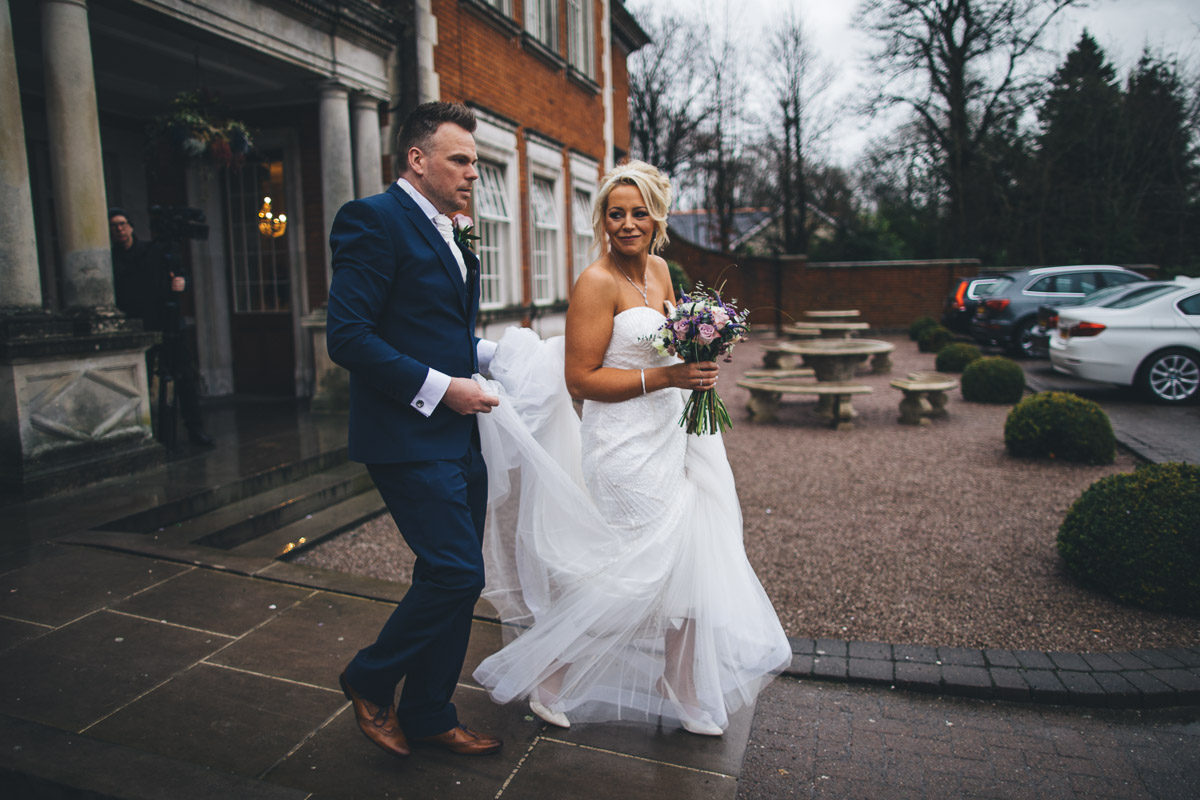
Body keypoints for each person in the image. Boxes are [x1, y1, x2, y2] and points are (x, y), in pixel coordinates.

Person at [472, 161, 790, 735]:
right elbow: (580, 380)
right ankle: (549, 673)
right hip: (620, 446)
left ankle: (680, 680)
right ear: (602, 220)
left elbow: (670, 346)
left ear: (657, 217)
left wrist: (698, 362)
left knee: (695, 545)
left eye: (638, 212)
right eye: (615, 213)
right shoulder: (595, 282)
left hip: (672, 435)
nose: (626, 223)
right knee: (626, 566)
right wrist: (669, 379)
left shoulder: (663, 271)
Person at [325, 102, 503, 759]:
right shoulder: (373, 220)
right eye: (459, 160)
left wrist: (488, 358)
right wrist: (442, 389)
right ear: (417, 160)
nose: (472, 174)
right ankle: (369, 679)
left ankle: (430, 712)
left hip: (461, 438)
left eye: (476, 164)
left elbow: (436, 330)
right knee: (455, 573)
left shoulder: (452, 233)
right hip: (405, 434)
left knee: (460, 575)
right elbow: (347, 337)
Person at [108, 208, 212, 447]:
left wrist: (182, 282)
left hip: (169, 322)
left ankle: (195, 429)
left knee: (185, 377)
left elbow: (181, 275)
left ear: (131, 227)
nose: (120, 229)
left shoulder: (154, 251)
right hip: (138, 327)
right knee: (139, 381)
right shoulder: (111, 260)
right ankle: (142, 433)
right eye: (114, 225)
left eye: (123, 223)